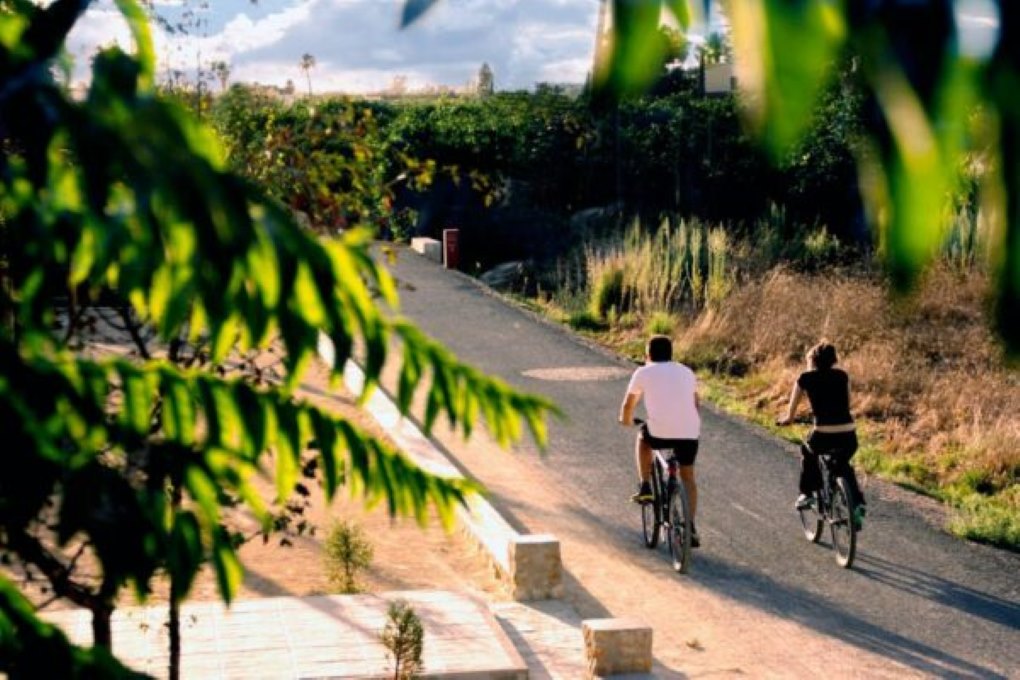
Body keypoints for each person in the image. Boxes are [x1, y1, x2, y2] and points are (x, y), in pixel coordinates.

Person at [618, 335, 702, 547]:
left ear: (648, 355)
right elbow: (695, 404)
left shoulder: (643, 372)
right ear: (671, 353)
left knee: (643, 438)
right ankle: (690, 525)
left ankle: (645, 485)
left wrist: (626, 420)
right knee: (688, 476)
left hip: (659, 432)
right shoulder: (686, 371)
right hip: (690, 432)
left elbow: (629, 405)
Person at [777, 341, 866, 526]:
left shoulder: (805, 378)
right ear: (834, 359)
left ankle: (807, 494)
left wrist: (789, 419)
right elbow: (847, 403)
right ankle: (856, 503)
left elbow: (791, 410)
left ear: (813, 360)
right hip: (848, 433)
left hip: (823, 433)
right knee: (842, 464)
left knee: (807, 450)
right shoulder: (842, 376)